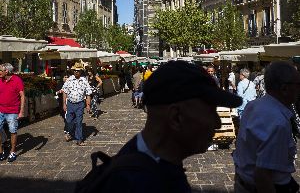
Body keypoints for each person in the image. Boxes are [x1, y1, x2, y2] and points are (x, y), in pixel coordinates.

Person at [97, 61, 242, 193]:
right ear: (176, 117)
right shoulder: (139, 183)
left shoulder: (156, 166)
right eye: (210, 111)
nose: (218, 123)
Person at [233, 62, 300, 193]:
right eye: (298, 85)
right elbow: (263, 176)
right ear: (284, 88)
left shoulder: (253, 105)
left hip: (243, 182)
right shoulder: (278, 122)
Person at [61, 62, 92, 146]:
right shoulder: (69, 80)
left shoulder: (84, 81)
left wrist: (88, 105)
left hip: (80, 104)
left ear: (81, 71)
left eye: (78, 71)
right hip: (70, 104)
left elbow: (88, 93)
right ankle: (70, 133)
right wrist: (64, 104)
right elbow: (64, 92)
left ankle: (79, 139)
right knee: (69, 121)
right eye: (75, 70)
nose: (76, 72)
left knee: (79, 122)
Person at [0, 63, 25, 162]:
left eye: (0, 70)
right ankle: (1, 151)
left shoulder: (17, 80)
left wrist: (21, 111)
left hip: (12, 111)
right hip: (0, 109)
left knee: (13, 131)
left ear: (7, 71)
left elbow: (22, 96)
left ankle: (12, 151)